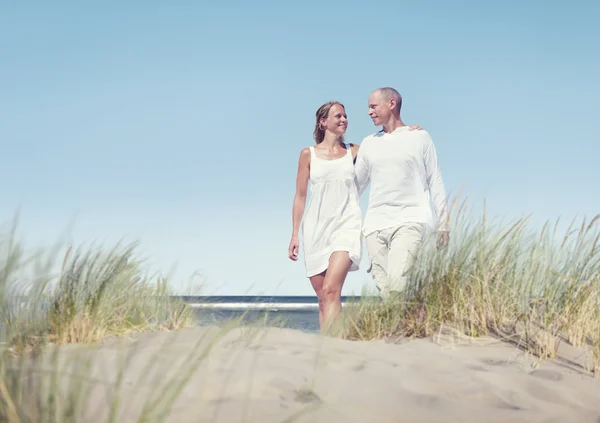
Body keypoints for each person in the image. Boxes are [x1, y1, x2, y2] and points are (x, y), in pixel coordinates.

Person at [354, 87, 450, 302]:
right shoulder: (369, 142)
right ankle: (398, 333)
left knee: (398, 285)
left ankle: (400, 331)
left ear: (391, 103)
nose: (369, 112)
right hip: (375, 226)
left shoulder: (420, 137)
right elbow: (355, 187)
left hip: (410, 220)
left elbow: (435, 180)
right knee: (385, 289)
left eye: (373, 106)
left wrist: (443, 223)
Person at [288, 101, 362, 331]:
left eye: (345, 116)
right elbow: (300, 197)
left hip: (346, 225)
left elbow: (385, 146)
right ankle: (327, 351)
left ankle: (335, 348)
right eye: (338, 116)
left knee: (331, 289)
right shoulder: (308, 155)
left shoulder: (355, 151)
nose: (344, 120)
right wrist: (294, 235)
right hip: (315, 229)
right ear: (323, 122)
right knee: (323, 298)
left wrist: (406, 130)